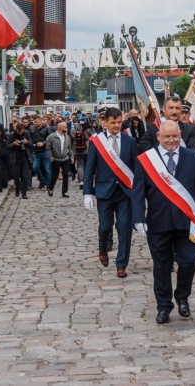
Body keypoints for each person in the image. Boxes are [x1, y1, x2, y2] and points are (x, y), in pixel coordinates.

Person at [132, 120, 195, 324]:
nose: (172, 140)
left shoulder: (193, 158)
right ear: (159, 137)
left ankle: (182, 296)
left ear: (180, 135)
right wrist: (138, 218)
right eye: (167, 137)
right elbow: (138, 191)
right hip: (158, 222)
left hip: (187, 222)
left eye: (175, 136)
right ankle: (164, 306)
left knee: (189, 261)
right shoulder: (145, 160)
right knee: (162, 266)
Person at [83, 107, 138, 278]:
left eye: (119, 122)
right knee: (105, 227)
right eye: (113, 122)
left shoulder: (130, 142)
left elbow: (136, 169)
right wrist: (87, 193)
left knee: (124, 227)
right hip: (104, 192)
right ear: (105, 123)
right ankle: (102, 247)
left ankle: (121, 264)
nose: (116, 126)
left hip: (124, 192)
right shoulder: (97, 142)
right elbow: (89, 169)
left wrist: (138, 192)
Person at [45, 122, 74, 198]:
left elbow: (69, 148)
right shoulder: (51, 137)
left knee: (65, 175)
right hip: (55, 159)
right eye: (65, 127)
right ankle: (50, 188)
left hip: (65, 158)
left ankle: (65, 192)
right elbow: (48, 148)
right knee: (54, 176)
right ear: (61, 128)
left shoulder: (67, 137)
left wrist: (71, 157)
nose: (66, 129)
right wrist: (51, 157)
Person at [7, 123, 32, 200]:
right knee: (16, 176)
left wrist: (26, 142)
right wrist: (14, 144)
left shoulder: (26, 134)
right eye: (19, 131)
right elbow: (7, 146)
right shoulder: (11, 135)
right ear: (16, 130)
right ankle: (17, 189)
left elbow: (31, 144)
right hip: (16, 158)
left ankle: (24, 193)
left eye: (22, 131)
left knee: (25, 177)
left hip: (25, 157)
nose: (21, 133)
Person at [71, 116, 94, 189]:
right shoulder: (88, 129)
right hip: (87, 150)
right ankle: (86, 180)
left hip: (77, 150)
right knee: (87, 166)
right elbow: (93, 137)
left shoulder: (73, 129)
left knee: (80, 165)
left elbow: (72, 138)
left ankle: (80, 180)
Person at [29, 115, 51, 189]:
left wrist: (43, 143)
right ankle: (42, 181)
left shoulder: (46, 128)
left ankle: (48, 184)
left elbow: (50, 138)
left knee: (47, 169)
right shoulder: (31, 129)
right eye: (34, 122)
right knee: (35, 167)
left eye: (36, 122)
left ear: (41, 121)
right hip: (35, 151)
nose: (35, 123)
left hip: (45, 151)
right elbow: (29, 138)